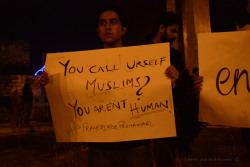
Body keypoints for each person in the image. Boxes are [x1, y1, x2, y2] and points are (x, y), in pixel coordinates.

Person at [41, 4, 153, 167]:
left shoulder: (143, 63)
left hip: (136, 145)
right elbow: (72, 93)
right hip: (100, 147)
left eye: (113, 22)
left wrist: (169, 79)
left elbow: (153, 89)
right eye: (102, 23)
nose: (107, 26)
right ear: (97, 30)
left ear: (123, 29)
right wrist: (50, 83)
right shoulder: (83, 68)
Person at [142, 12, 203, 167]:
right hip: (142, 112)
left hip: (167, 115)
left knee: (166, 156)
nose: (175, 35)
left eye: (177, 31)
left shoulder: (175, 55)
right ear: (161, 28)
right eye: (173, 31)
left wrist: (176, 82)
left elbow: (183, 88)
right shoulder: (140, 50)